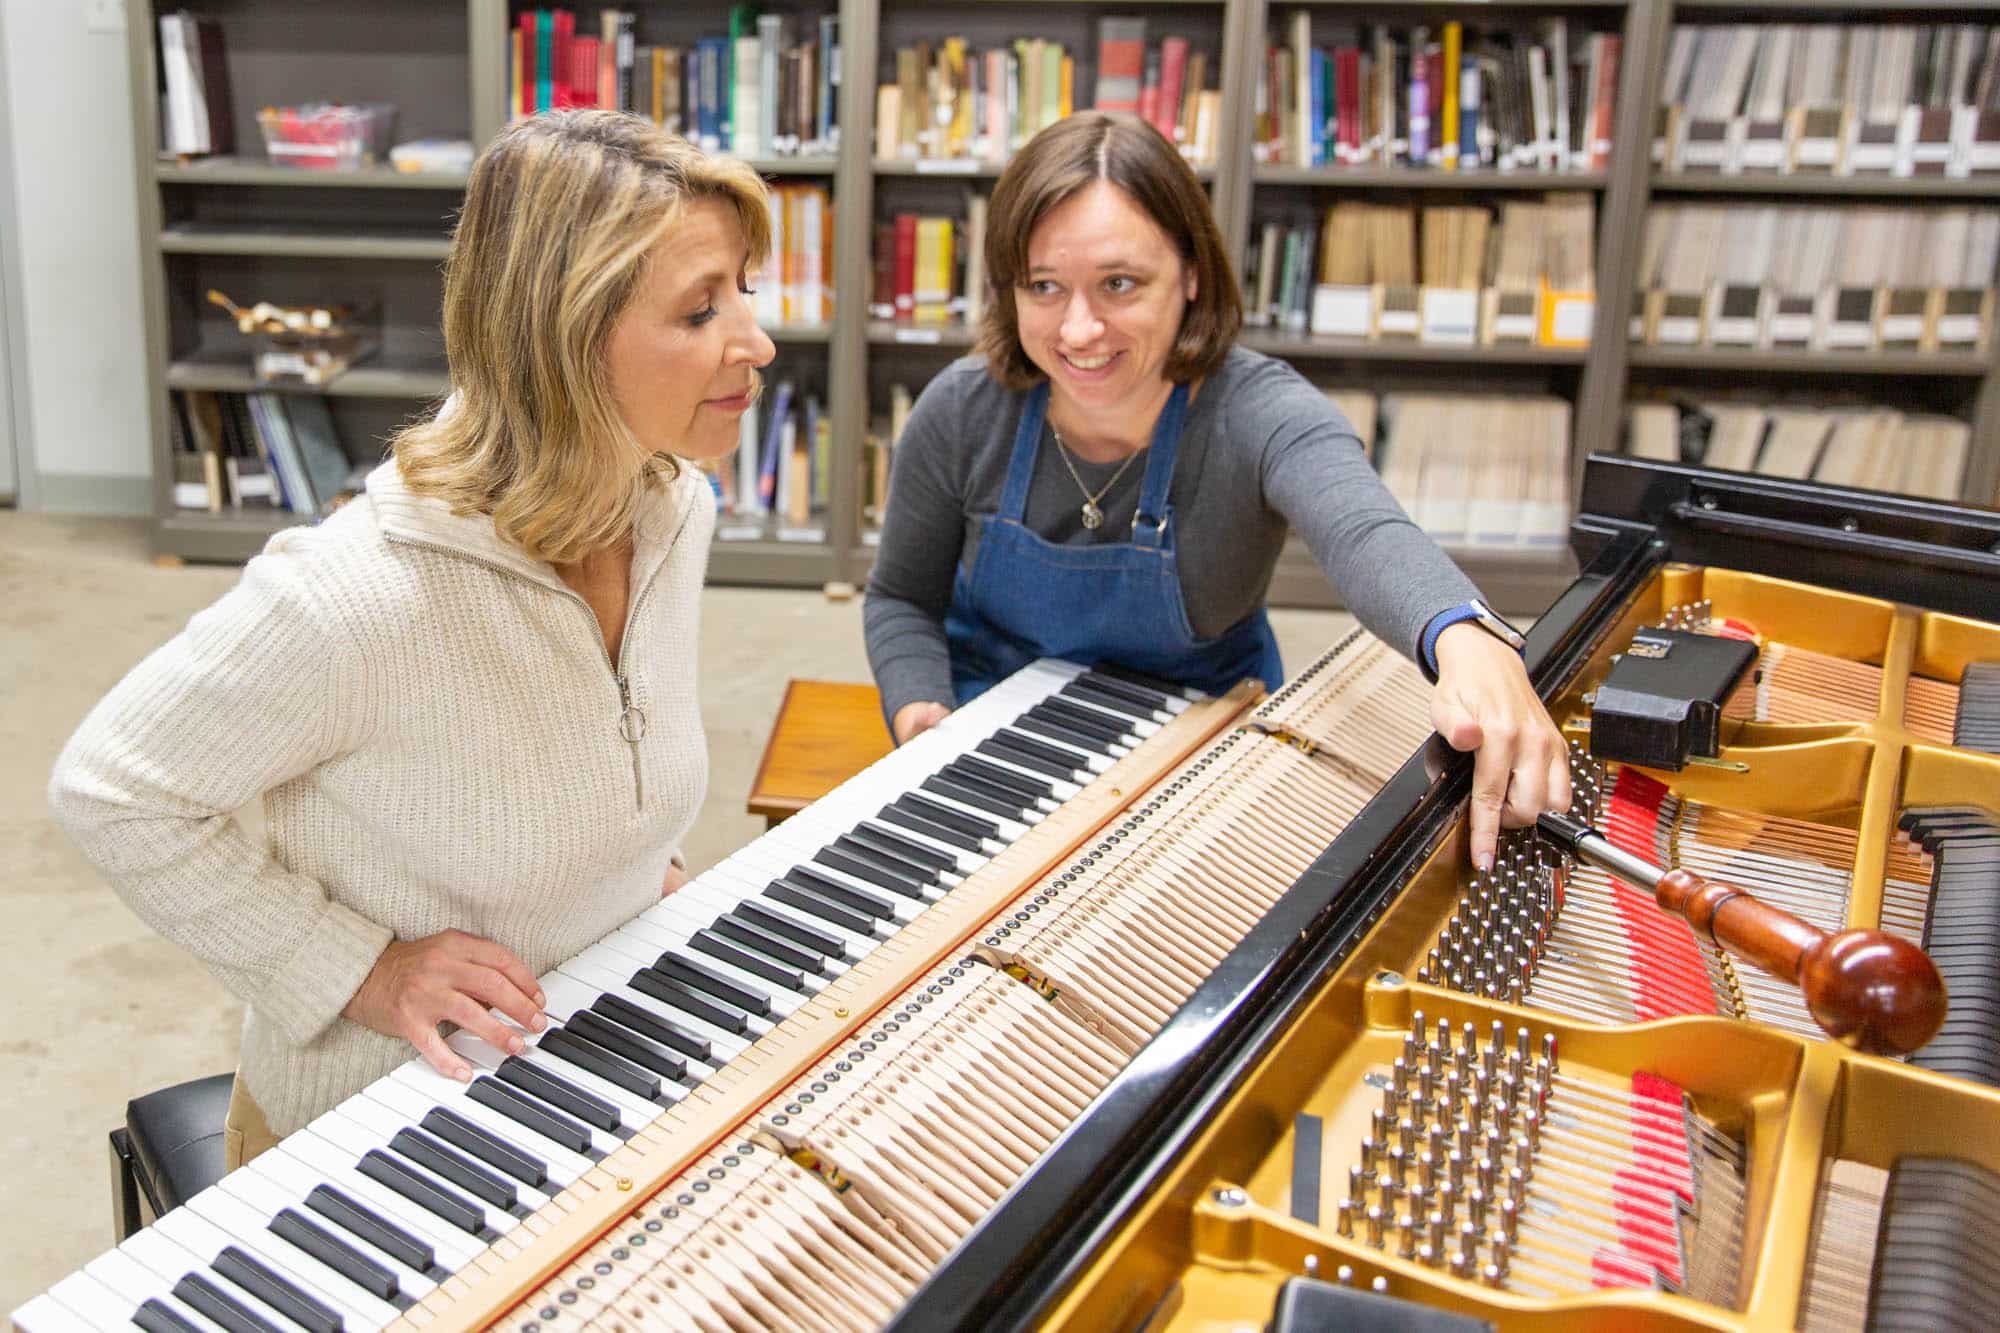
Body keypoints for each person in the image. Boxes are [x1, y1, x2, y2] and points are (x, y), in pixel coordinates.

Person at [48, 111, 776, 1163]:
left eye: (743, 290)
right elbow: (113, 789)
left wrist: (637, 869)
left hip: (575, 1067)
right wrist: (360, 969)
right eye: (701, 309)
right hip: (374, 1138)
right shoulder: (358, 595)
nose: (754, 341)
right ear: (563, 338)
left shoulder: (671, 506)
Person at [864, 112, 1568, 870]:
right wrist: (919, 709)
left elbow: (1365, 529)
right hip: (995, 743)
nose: (1078, 330)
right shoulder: (962, 408)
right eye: (1043, 286)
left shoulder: (1260, 410)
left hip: (1199, 760)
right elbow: (901, 595)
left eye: (1120, 284)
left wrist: (1464, 638)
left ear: (1192, 274)